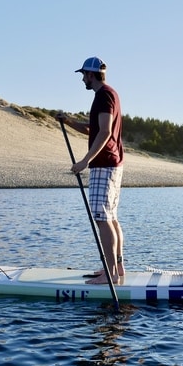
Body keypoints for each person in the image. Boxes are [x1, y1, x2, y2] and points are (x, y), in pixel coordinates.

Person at [57, 56, 125, 285]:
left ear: (91, 74)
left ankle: (110, 274)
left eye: (83, 75)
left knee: (102, 219)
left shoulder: (104, 95)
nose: (82, 79)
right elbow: (93, 129)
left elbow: (104, 132)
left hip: (104, 164)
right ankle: (117, 268)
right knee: (111, 218)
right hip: (112, 163)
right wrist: (67, 121)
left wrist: (86, 160)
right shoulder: (108, 94)